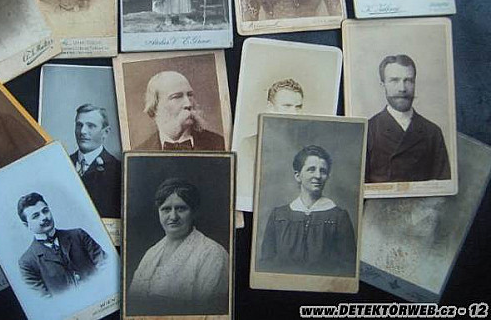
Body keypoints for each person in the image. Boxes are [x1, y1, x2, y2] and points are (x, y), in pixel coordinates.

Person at [128, 178, 229, 315]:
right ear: (159, 212)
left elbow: (208, 311)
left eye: (181, 209)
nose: (173, 216)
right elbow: (134, 303)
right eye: (166, 209)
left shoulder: (213, 254)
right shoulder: (151, 253)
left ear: (194, 212)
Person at [259, 145, 356, 276]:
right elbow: (266, 263)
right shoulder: (279, 216)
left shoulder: (339, 217)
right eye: (311, 169)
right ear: (298, 176)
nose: (318, 175)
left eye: (323, 171)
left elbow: (348, 267)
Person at [366, 55, 450, 183]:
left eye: (409, 81)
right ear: (383, 85)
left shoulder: (432, 132)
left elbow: (444, 185)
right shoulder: (368, 130)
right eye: (394, 80)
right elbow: (359, 188)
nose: (402, 88)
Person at [17, 192, 107, 297]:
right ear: (26, 225)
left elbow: (106, 266)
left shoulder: (78, 235)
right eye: (36, 216)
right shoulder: (27, 262)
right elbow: (44, 300)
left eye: (45, 211)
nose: (44, 217)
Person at [237, 79, 304, 209]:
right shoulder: (250, 145)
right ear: (270, 108)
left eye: (298, 107)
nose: (294, 113)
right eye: (287, 106)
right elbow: (245, 196)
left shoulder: (305, 147)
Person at [138, 71, 225, 151]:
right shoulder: (141, 151)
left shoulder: (220, 144)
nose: (188, 104)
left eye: (190, 95)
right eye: (177, 97)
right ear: (155, 108)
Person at [68, 104, 121, 218]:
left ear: (105, 132)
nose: (82, 131)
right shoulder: (63, 163)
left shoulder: (118, 170)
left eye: (90, 126)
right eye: (79, 125)